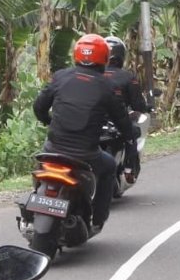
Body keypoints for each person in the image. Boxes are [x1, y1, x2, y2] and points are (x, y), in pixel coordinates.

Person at [33, 34, 132, 234]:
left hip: (53, 148)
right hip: (85, 154)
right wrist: (130, 132)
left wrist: (48, 121)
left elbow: (39, 107)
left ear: (76, 55)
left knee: (41, 164)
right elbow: (122, 120)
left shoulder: (61, 77)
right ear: (105, 58)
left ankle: (35, 199)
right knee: (109, 166)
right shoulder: (107, 87)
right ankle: (98, 218)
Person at [103, 36, 149, 184]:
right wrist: (145, 107)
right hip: (117, 120)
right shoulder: (128, 77)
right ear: (121, 56)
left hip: (91, 119)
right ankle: (129, 168)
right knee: (132, 133)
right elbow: (138, 104)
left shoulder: (92, 75)